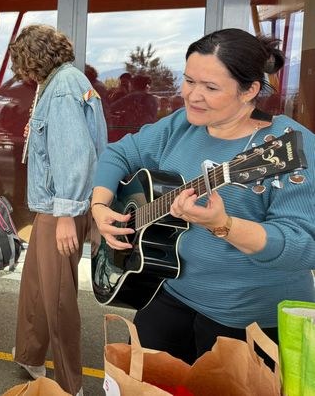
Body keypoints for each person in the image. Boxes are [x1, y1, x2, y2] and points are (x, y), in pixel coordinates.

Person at [91, 28, 315, 364]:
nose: (193, 96)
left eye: (210, 87)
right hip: (168, 289)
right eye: (189, 81)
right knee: (143, 380)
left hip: (249, 318)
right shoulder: (181, 125)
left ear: (250, 90)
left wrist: (224, 225)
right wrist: (99, 205)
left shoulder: (288, 146)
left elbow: (304, 246)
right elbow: (119, 153)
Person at [8, 25, 107, 396]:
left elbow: (74, 155)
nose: (22, 73)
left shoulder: (62, 87)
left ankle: (69, 383)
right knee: (37, 285)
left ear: (33, 59)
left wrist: (67, 214)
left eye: (22, 64)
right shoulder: (67, 80)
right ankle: (30, 355)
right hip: (57, 205)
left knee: (58, 297)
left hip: (60, 207)